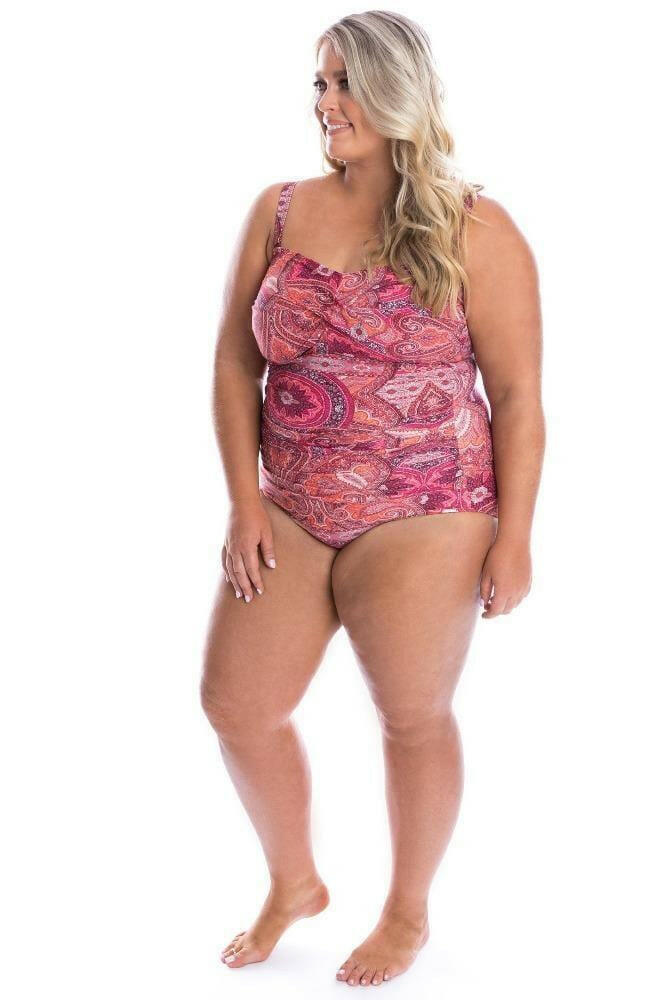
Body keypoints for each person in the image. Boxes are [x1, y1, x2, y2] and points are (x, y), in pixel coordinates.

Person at [201, 9, 544, 988]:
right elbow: (233, 365)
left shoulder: (477, 226)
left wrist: (515, 537)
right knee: (236, 704)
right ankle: (295, 881)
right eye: (320, 82)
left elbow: (518, 395)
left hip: (429, 501)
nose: (326, 102)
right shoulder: (278, 210)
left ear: (398, 92)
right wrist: (243, 502)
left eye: (346, 82)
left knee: (411, 714)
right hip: (293, 501)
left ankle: (407, 912)